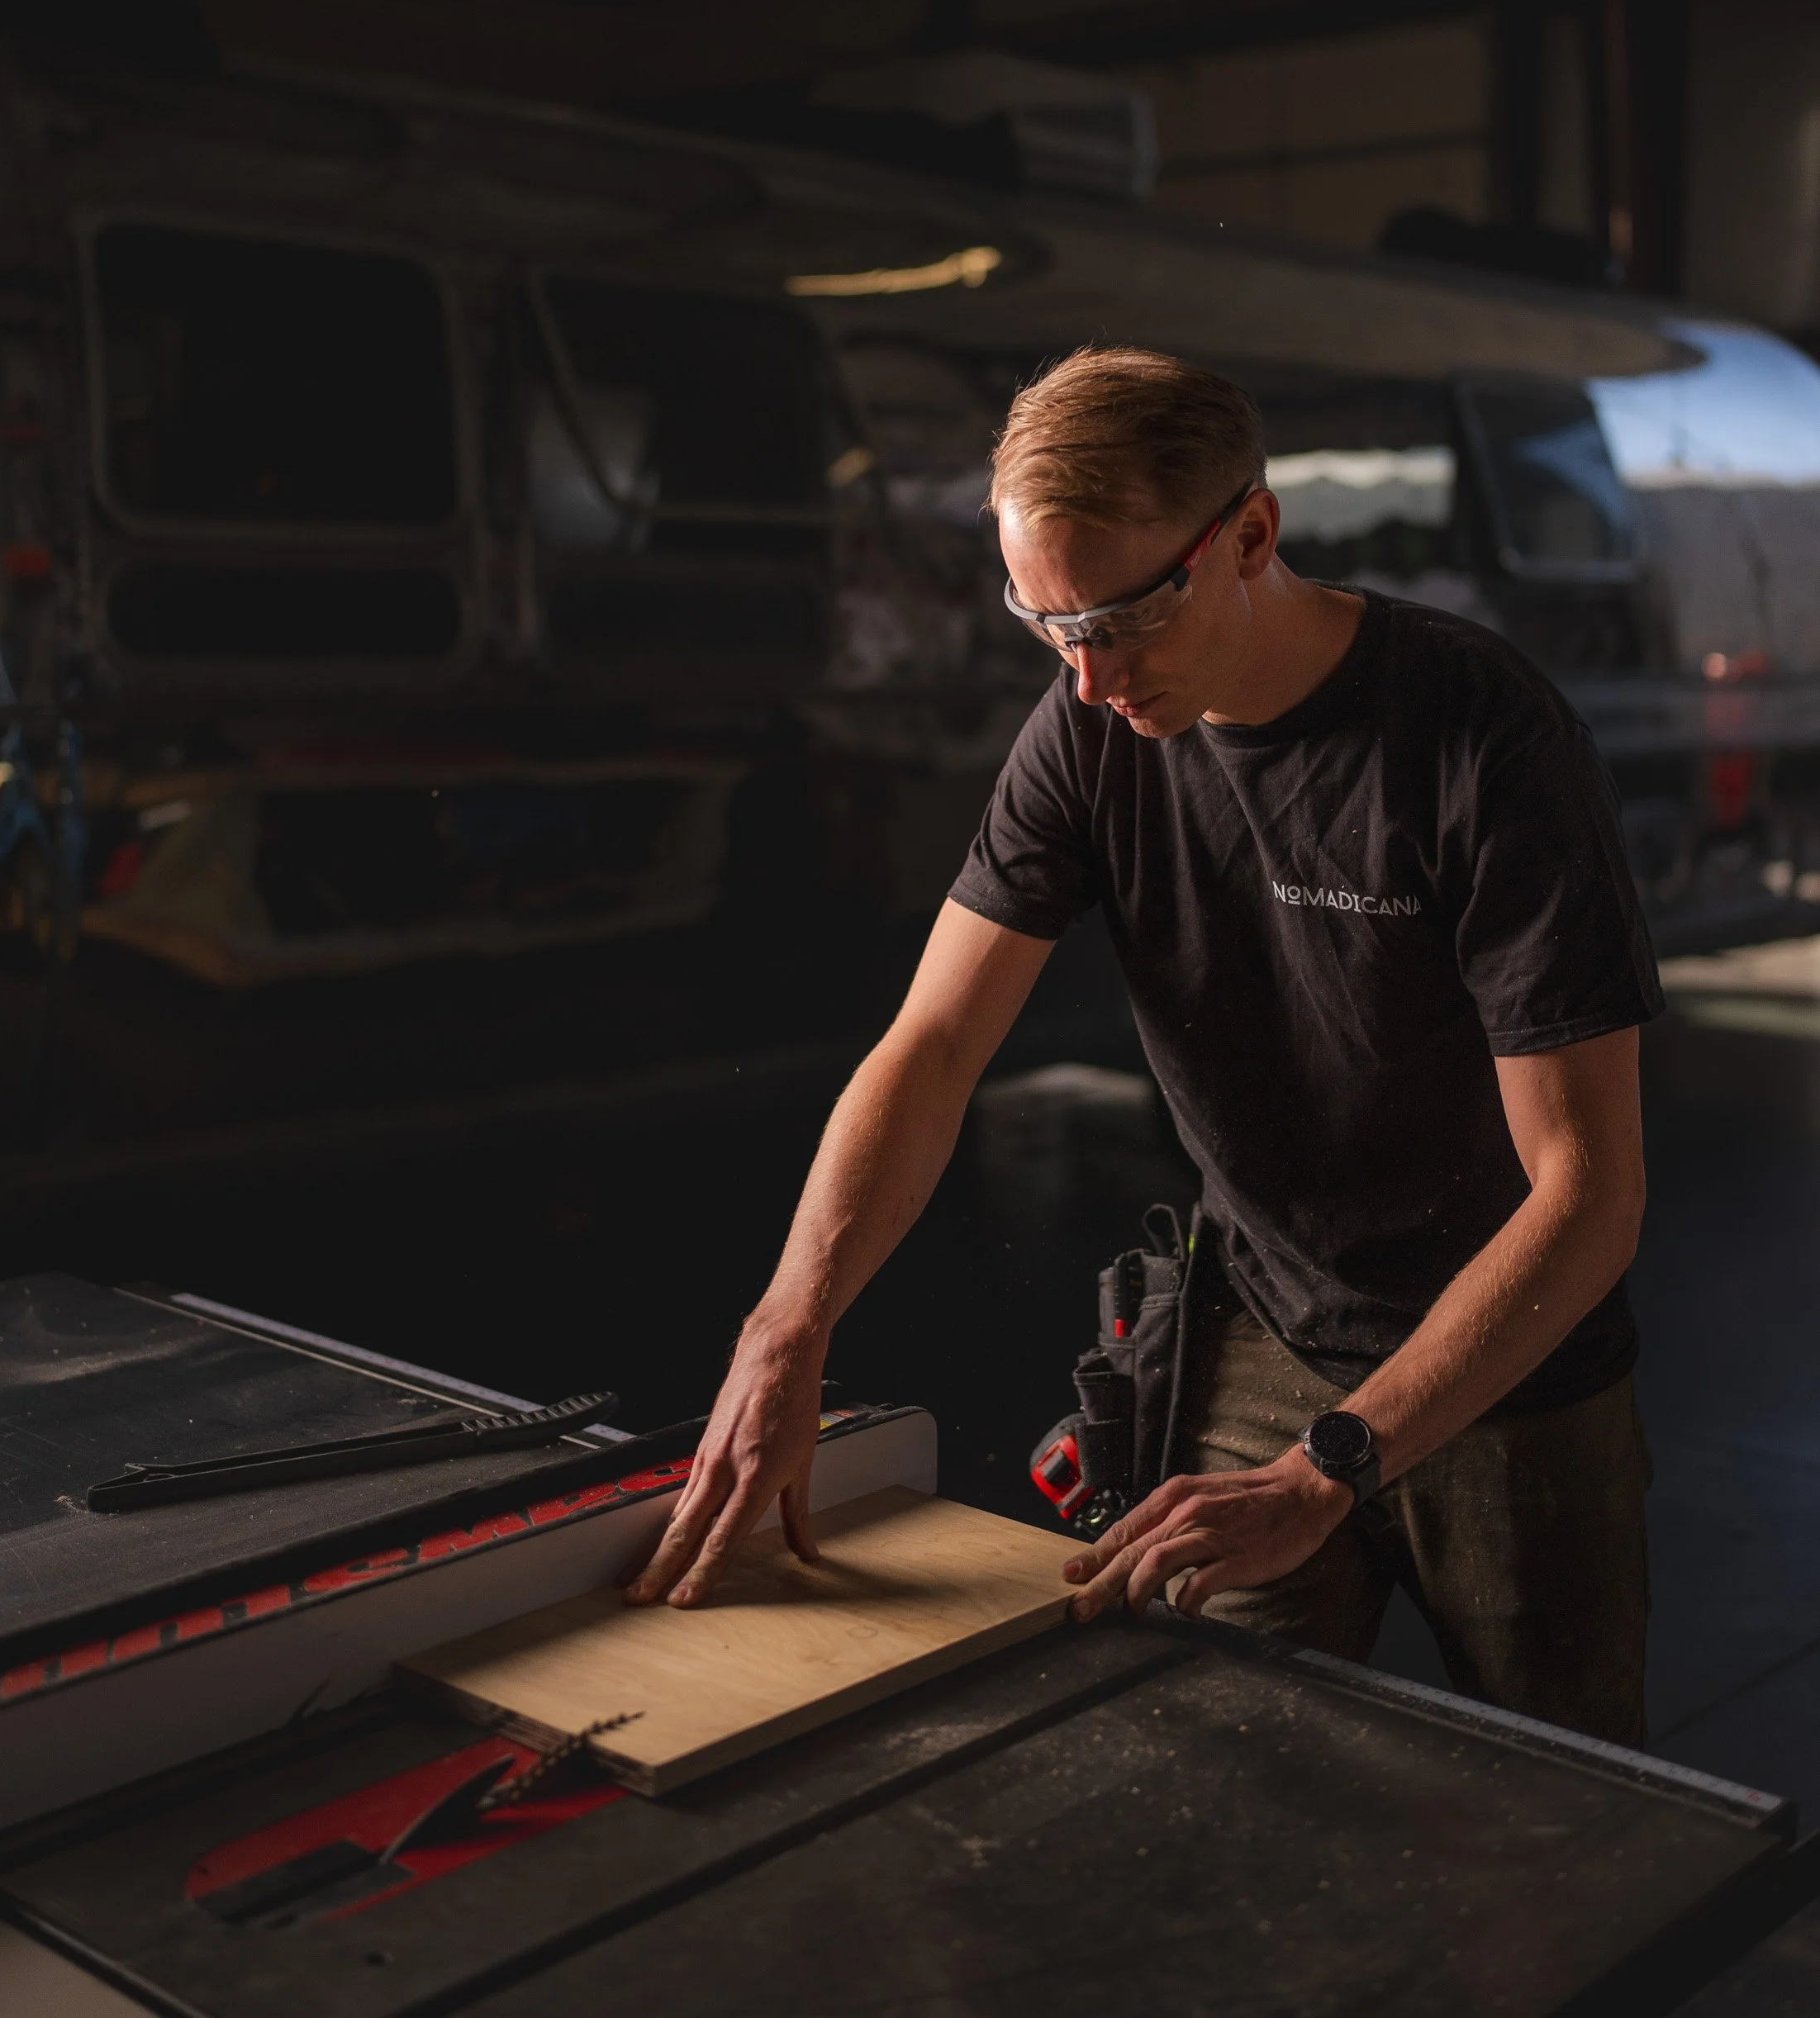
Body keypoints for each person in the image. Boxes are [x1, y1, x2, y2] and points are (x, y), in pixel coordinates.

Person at [627, 345, 1661, 1745]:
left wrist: (1328, 1471)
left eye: (1124, 619)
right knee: (1225, 1764)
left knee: (1570, 1811)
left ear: (1248, 535)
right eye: (1047, 626)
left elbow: (1589, 1194)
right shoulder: (1086, 729)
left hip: (1509, 1368)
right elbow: (931, 1046)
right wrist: (786, 1327)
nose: (1094, 678)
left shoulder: (1477, 737)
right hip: (1266, 1324)